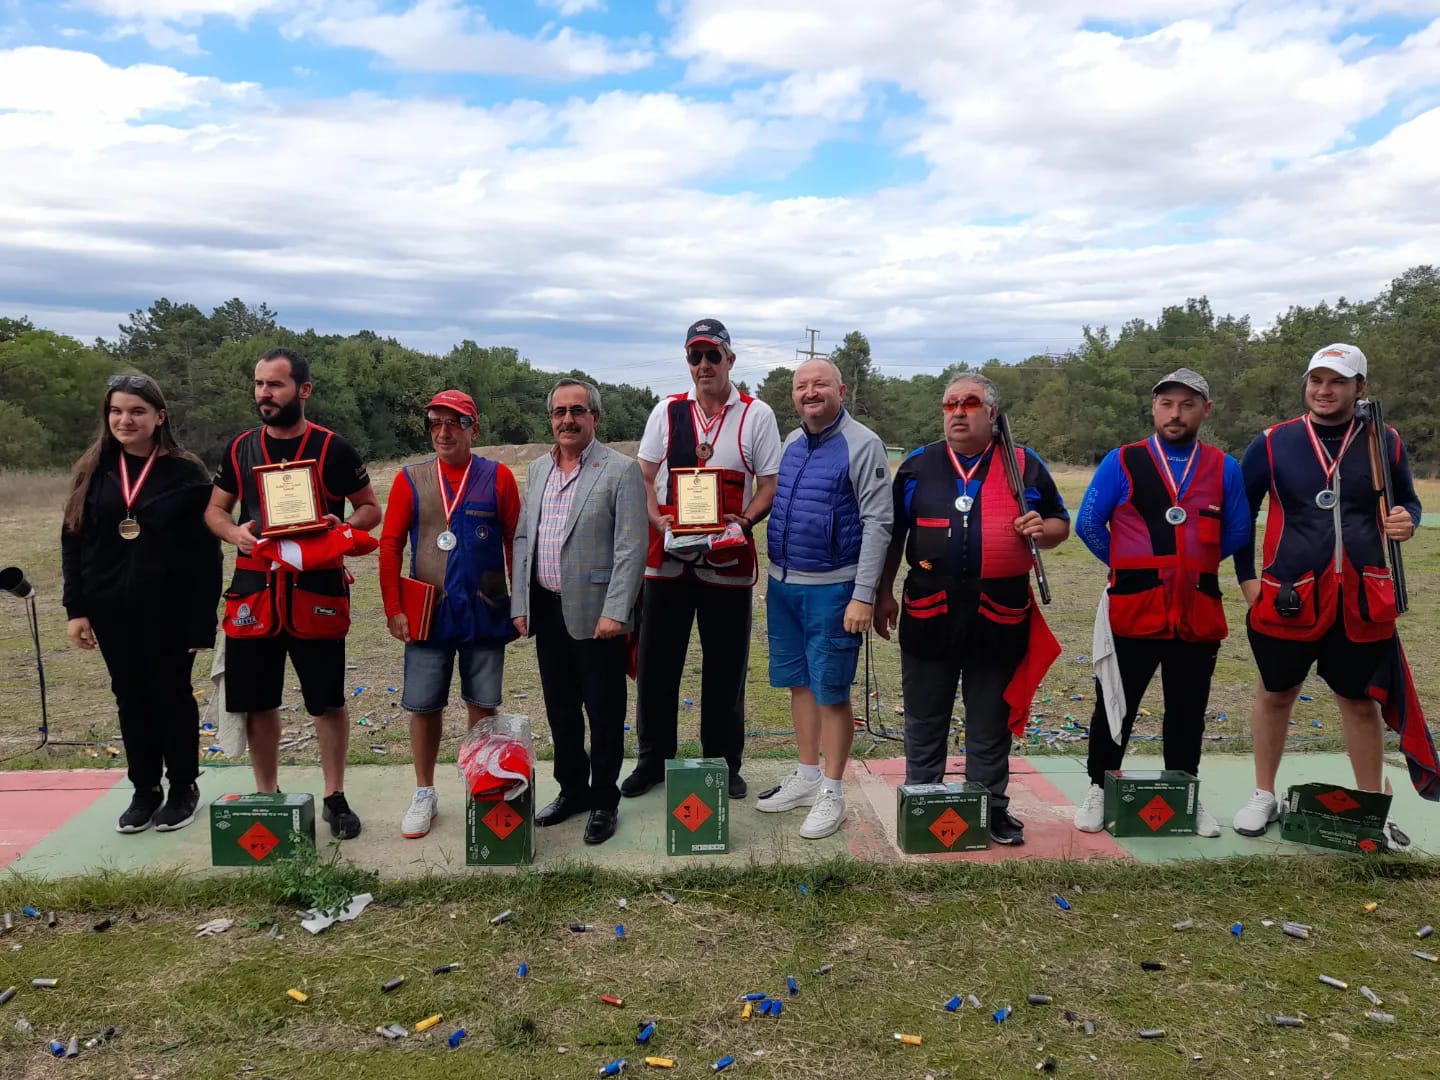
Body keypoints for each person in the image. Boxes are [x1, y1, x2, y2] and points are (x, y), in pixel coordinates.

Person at [1232, 343, 1428, 849]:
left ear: (1359, 388)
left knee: (1362, 704)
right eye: (1316, 380)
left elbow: (1407, 501)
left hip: (1362, 599)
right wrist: (1247, 577)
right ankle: (1262, 794)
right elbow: (1240, 512)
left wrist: (1408, 521)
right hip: (1288, 595)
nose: (1324, 390)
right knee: (1276, 695)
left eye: (1337, 381)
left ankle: (1370, 808)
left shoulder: (1384, 439)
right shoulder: (1273, 442)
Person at [873, 374, 1069, 846]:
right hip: (928, 607)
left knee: (989, 719)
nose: (958, 412)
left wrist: (1044, 529)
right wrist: (882, 593)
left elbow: (1061, 523)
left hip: (999, 612)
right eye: (950, 404)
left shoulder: (1024, 464)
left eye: (970, 403)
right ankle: (923, 797)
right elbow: (893, 536)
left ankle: (991, 807)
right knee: (924, 715)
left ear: (993, 413)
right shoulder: (918, 464)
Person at [205, 347, 381, 839]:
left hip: (316, 594)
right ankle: (267, 795)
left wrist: (339, 524)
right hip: (254, 597)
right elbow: (215, 511)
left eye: (275, 385)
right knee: (258, 702)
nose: (265, 393)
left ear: (302, 390)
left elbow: (370, 510)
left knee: (326, 701)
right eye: (260, 384)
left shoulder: (335, 448)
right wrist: (233, 533)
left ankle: (335, 796)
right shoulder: (240, 448)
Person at [1071, 368, 1251, 837]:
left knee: (1188, 710)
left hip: (1197, 609)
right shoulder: (1123, 460)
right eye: (1167, 404)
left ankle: (1184, 791)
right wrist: (1130, 567)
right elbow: (1089, 524)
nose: (1176, 413)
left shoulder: (1223, 466)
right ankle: (1098, 787)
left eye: (1187, 404)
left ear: (1204, 411)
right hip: (1134, 607)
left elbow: (1237, 531)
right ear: (1154, 408)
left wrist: (1193, 566)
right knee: (1114, 704)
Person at [621, 319, 782, 800]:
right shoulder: (667, 410)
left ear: (730, 360)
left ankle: (722, 762)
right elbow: (644, 477)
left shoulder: (757, 414)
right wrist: (656, 519)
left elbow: (768, 485)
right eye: (695, 357)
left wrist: (745, 522)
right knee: (656, 665)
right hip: (668, 558)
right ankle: (653, 760)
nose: (704, 365)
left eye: (713, 355)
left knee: (726, 668)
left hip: (728, 561)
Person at [61, 372, 221, 833]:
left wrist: (200, 621)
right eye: (116, 411)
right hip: (110, 607)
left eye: (136, 411)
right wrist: (77, 609)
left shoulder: (185, 471)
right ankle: (144, 789)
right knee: (130, 697)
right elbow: (72, 540)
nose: (125, 420)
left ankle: (183, 787)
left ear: (159, 417)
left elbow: (204, 553)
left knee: (171, 694)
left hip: (169, 609)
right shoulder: (93, 470)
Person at [756, 359, 892, 839]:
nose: (809, 392)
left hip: (835, 590)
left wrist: (863, 596)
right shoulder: (792, 443)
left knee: (831, 691)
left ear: (842, 389)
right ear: (793, 396)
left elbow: (879, 523)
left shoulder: (864, 444)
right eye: (801, 386)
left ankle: (833, 790)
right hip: (784, 586)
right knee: (799, 683)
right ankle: (808, 774)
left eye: (819, 384)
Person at [378, 390, 520, 839]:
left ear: (473, 428)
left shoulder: (498, 477)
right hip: (428, 612)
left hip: (485, 607)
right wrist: (393, 608)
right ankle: (424, 792)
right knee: (424, 705)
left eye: (454, 423)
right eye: (436, 422)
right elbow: (389, 545)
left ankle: (480, 783)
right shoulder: (411, 478)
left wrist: (520, 606)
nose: (443, 431)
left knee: (483, 702)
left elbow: (516, 542)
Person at [511, 379, 647, 845]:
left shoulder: (620, 470)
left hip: (598, 616)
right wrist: (521, 603)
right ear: (550, 418)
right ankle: (572, 790)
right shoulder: (536, 471)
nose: (567, 419)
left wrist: (617, 610)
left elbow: (631, 547)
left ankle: (604, 800)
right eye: (559, 412)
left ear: (595, 417)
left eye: (577, 411)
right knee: (561, 710)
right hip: (548, 610)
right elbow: (524, 539)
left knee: (603, 711)